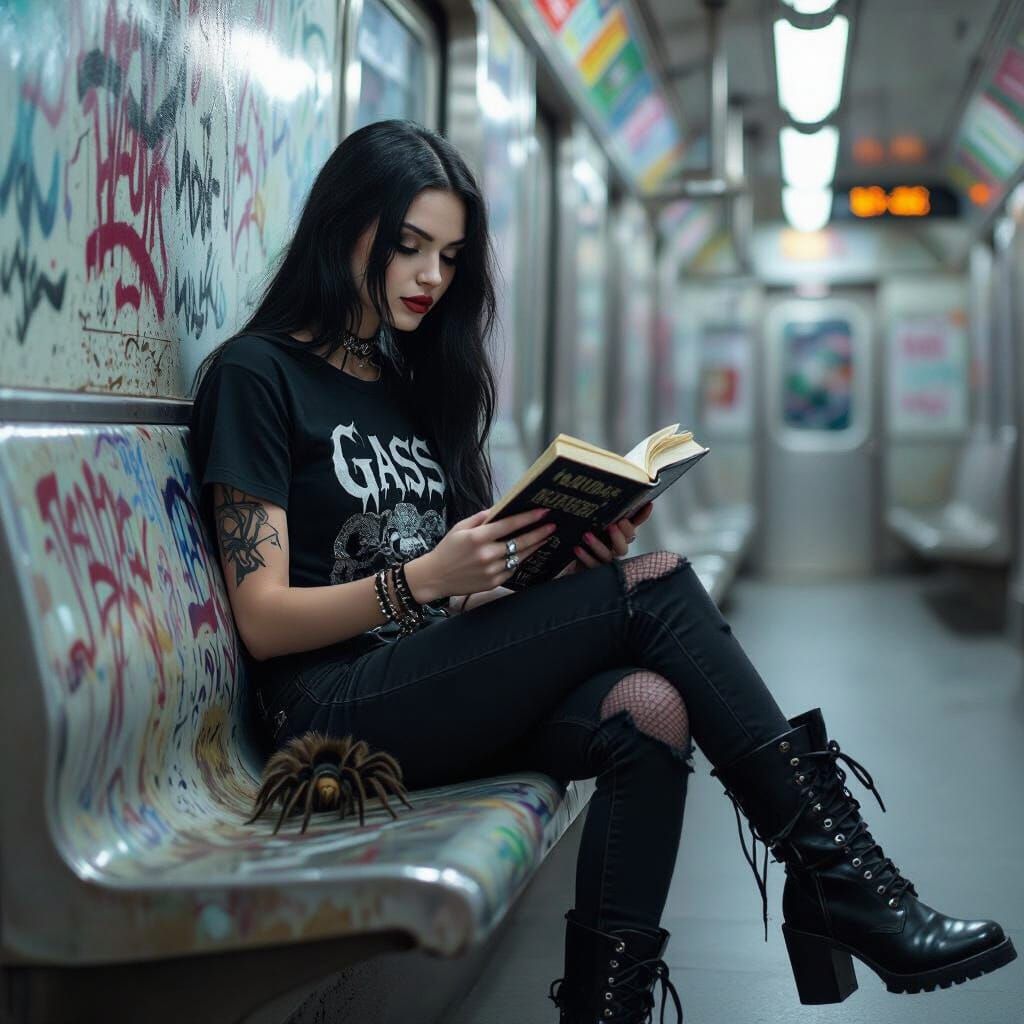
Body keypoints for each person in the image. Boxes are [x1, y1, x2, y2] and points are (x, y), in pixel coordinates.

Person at [188, 120, 1017, 1024]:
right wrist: (420, 581)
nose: (431, 277)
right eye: (409, 246)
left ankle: (611, 1009)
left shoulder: (414, 386)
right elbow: (262, 617)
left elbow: (460, 590)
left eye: (451, 257)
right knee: (656, 586)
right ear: (344, 228)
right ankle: (842, 881)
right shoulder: (258, 376)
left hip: (420, 680)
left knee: (648, 711)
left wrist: (557, 564)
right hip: (327, 716)